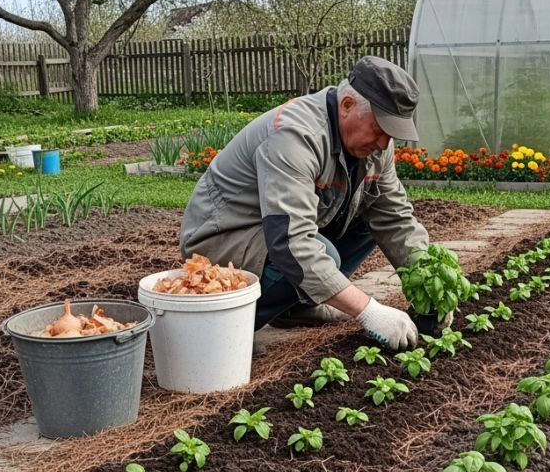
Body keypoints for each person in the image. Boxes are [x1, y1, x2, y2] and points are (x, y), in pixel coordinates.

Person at [179, 55, 443, 351]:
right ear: (347, 106)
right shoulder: (295, 134)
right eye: (380, 129)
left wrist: (431, 283)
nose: (384, 144)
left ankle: (296, 306)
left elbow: (394, 216)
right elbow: (290, 242)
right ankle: (227, 330)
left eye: (391, 134)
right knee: (317, 252)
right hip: (221, 238)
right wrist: (368, 310)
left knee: (372, 216)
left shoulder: (375, 146)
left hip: (270, 231)